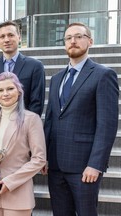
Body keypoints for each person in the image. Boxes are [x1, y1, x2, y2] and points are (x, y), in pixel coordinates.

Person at [42, 22, 119, 216]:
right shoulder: (57, 78)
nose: (73, 41)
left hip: (84, 166)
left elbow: (107, 125)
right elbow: (50, 121)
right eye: (68, 38)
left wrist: (96, 164)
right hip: (56, 164)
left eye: (78, 36)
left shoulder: (103, 75)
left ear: (90, 41)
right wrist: (42, 155)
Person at [0, 72, 46, 216]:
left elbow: (39, 159)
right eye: (0, 90)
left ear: (19, 92)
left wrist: (9, 182)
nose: (5, 94)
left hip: (18, 192)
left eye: (10, 89)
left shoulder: (31, 119)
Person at [0, 20, 45, 119]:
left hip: (24, 127)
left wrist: (25, 125)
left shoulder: (35, 66)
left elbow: (37, 102)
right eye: (2, 36)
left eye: (10, 35)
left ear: (19, 37)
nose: (6, 40)